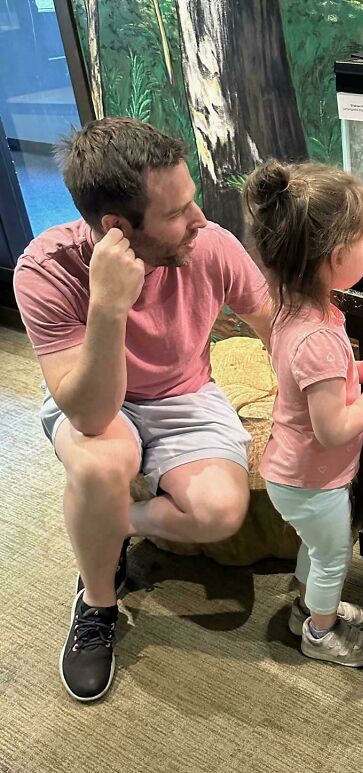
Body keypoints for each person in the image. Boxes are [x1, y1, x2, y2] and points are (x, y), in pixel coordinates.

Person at [13, 117, 273, 702]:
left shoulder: (210, 247)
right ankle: (98, 601)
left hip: (184, 392)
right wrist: (107, 305)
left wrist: (326, 386)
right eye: (178, 211)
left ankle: (110, 528)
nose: (199, 220)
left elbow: (273, 326)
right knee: (105, 460)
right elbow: (89, 416)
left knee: (219, 511)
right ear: (117, 228)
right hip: (98, 397)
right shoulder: (45, 270)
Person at [244, 160, 363, 667]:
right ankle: (321, 632)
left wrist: (356, 370)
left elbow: (314, 385)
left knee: (316, 548)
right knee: (334, 555)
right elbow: (333, 427)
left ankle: (307, 607)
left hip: (295, 473)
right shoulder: (316, 334)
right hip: (313, 480)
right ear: (336, 256)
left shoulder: (296, 310)